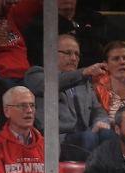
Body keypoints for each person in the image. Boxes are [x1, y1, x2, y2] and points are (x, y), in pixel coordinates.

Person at [24, 34, 115, 162]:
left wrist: (101, 122)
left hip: (85, 135)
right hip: (57, 139)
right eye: (68, 53)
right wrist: (82, 73)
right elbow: (49, 85)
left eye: (77, 54)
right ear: (51, 53)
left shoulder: (83, 82)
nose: (73, 58)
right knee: (89, 137)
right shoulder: (36, 74)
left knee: (109, 134)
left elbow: (97, 109)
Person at [0, 86, 48, 173]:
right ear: (7, 111)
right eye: (22, 106)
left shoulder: (45, 145)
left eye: (32, 105)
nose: (29, 110)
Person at [25, 0, 111, 68]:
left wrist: (78, 32)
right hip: (63, 77)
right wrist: (94, 44)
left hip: (100, 72)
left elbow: (110, 34)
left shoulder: (89, 15)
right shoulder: (41, 24)